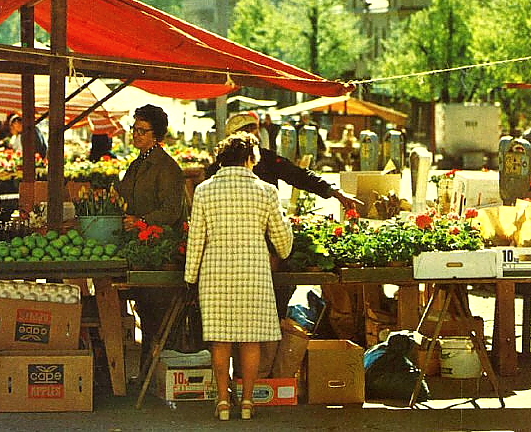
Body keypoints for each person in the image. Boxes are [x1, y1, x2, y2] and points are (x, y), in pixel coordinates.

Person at [207, 111, 361, 316]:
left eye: (254, 129)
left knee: (273, 300)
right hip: (229, 246)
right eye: (246, 131)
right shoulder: (215, 171)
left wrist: (335, 192)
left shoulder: (268, 159)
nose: (253, 134)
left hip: (266, 242)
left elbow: (299, 176)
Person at [184, 132, 293, 421]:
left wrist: (190, 276)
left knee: (220, 340)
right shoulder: (266, 191)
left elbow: (196, 239)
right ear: (249, 159)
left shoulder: (204, 191)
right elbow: (282, 243)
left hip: (215, 272)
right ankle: (247, 403)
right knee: (251, 339)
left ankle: (222, 402)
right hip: (254, 271)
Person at [117, 104, 188, 368]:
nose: (135, 135)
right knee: (146, 313)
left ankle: (159, 370)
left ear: (156, 135)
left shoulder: (167, 168)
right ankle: (149, 369)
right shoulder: (138, 164)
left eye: (141, 131)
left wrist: (142, 221)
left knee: (157, 315)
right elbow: (125, 193)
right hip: (140, 247)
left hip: (160, 252)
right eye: (134, 129)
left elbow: (171, 211)